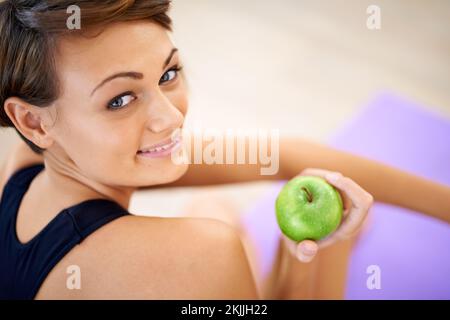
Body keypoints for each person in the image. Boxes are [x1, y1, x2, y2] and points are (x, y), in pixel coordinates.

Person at [1, 0, 448, 300]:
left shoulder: (26, 162)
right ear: (32, 121)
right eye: (120, 99)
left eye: (168, 73)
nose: (171, 118)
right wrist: (319, 247)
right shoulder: (202, 255)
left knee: (214, 205)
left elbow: (285, 154)